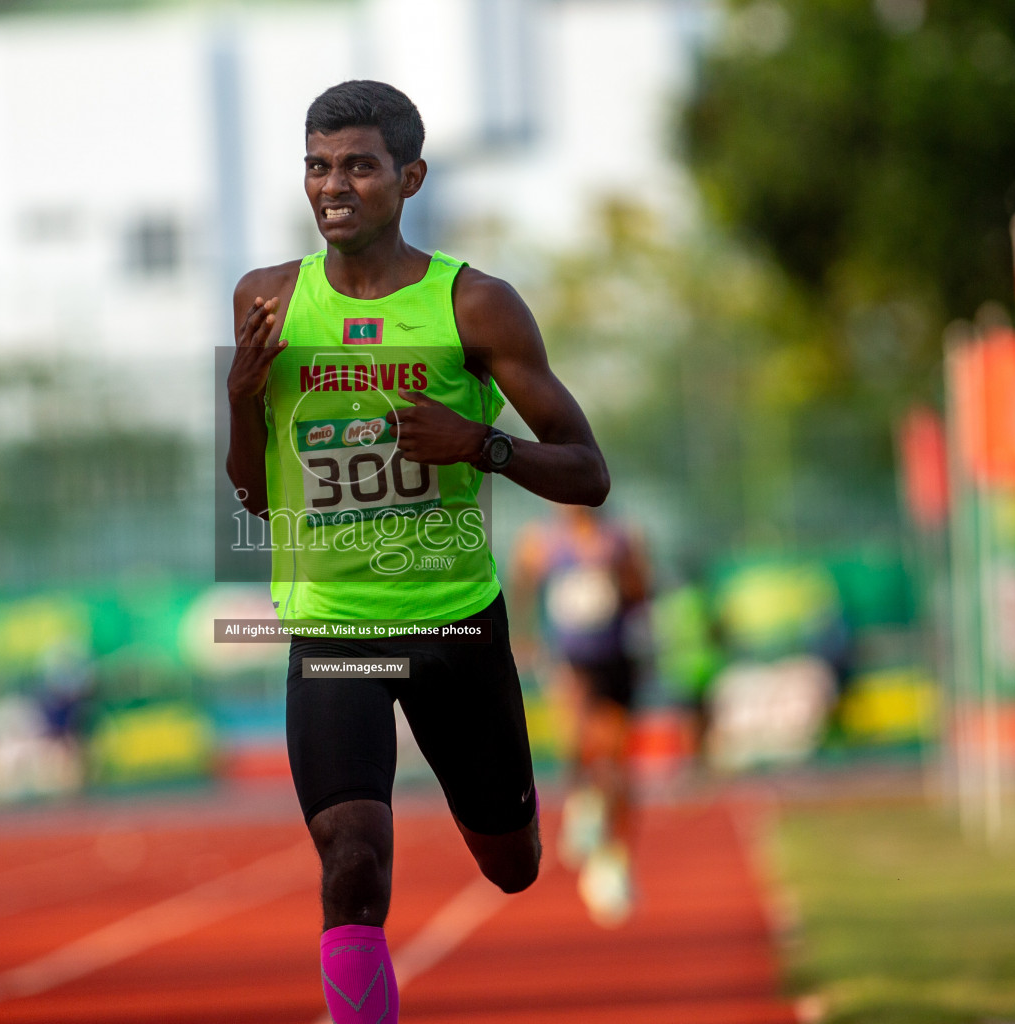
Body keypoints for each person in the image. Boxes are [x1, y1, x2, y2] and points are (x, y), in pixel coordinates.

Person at [225, 80, 609, 1023]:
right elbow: (251, 493)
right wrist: (241, 397)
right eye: (319, 166)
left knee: (511, 865)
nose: (334, 186)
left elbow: (589, 473)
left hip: (454, 625)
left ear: (410, 176)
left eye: (358, 165)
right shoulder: (267, 301)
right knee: (352, 863)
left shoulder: (474, 305)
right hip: (336, 631)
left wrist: (481, 444)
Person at [511, 503, 652, 925]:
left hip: (616, 659)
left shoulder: (622, 537)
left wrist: (618, 571)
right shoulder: (542, 541)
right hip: (571, 661)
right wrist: (523, 634)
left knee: (615, 759)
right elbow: (521, 586)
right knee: (577, 741)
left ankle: (614, 858)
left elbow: (642, 592)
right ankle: (582, 803)